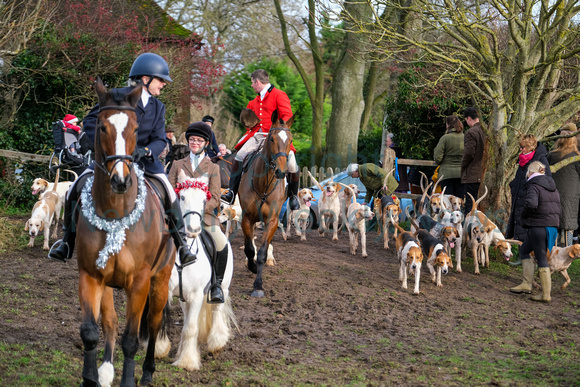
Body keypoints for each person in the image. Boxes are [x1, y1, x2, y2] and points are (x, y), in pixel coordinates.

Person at [48, 52, 196, 264]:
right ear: (146, 79)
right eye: (161, 79)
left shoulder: (158, 107)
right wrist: (105, 143)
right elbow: (90, 121)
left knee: (170, 192)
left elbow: (160, 139)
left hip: (145, 162)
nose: (163, 84)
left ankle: (181, 244)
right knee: (75, 187)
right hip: (109, 159)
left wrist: (144, 151)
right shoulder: (116, 95)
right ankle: (66, 241)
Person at [220, 69, 300, 211]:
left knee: (292, 164)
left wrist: (278, 130)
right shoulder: (253, 102)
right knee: (239, 156)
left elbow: (287, 116)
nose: (251, 86)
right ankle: (231, 192)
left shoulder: (279, 95)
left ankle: (293, 197)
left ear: (257, 82)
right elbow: (251, 123)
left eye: (252, 82)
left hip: (276, 136)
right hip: (257, 136)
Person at [168, 122, 229, 303]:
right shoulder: (177, 164)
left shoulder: (213, 168)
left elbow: (216, 198)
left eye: (199, 140)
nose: (195, 143)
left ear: (206, 143)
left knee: (221, 243)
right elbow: (171, 192)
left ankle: (216, 285)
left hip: (205, 217)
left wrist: (198, 211)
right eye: (192, 140)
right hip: (179, 216)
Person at [509, 161, 560, 302]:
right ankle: (526, 284)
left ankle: (545, 294)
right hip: (551, 226)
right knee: (525, 250)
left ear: (530, 173)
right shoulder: (553, 187)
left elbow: (531, 204)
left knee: (541, 257)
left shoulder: (534, 185)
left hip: (539, 226)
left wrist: (523, 216)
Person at [506, 134, 552, 266]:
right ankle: (523, 256)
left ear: (530, 146)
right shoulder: (523, 160)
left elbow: (546, 180)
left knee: (527, 229)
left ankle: (529, 258)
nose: (521, 150)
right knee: (520, 226)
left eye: (523, 147)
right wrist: (514, 185)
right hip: (519, 197)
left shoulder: (540, 160)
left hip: (530, 199)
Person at [548, 131, 580, 247]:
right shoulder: (576, 157)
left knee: (553, 224)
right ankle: (568, 251)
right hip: (571, 196)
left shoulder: (551, 155)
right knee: (569, 225)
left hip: (553, 193)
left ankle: (552, 251)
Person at [461, 107, 486, 213]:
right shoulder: (486, 130)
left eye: (466, 120)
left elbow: (469, 153)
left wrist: (463, 164)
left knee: (470, 205)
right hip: (484, 172)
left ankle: (468, 227)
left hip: (472, 174)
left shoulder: (470, 132)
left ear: (469, 118)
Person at [434, 115, 465, 197]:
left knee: (447, 200)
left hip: (446, 174)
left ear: (448, 125)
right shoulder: (465, 137)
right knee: (459, 201)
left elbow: (438, 157)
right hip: (461, 173)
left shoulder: (445, 138)